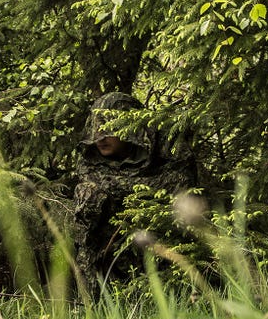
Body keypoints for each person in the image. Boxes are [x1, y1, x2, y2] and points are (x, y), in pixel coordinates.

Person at [73, 92, 196, 290]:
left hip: (160, 249)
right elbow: (91, 182)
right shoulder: (91, 158)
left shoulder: (165, 152)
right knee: (88, 195)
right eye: (96, 129)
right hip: (112, 248)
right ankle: (92, 294)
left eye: (108, 129)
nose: (100, 138)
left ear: (130, 129)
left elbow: (175, 186)